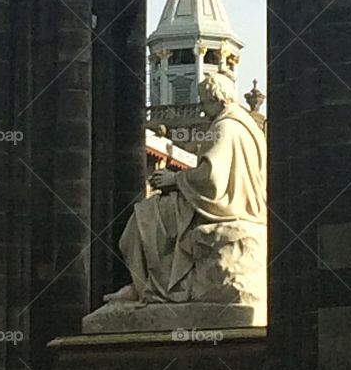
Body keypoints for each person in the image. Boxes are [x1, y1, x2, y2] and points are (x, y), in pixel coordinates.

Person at [107, 71, 267, 308]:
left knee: (144, 217)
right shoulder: (246, 125)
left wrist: (175, 179)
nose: (202, 108)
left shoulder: (225, 127)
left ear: (217, 98)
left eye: (204, 101)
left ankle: (150, 287)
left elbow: (211, 178)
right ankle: (144, 285)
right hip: (227, 203)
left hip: (218, 205)